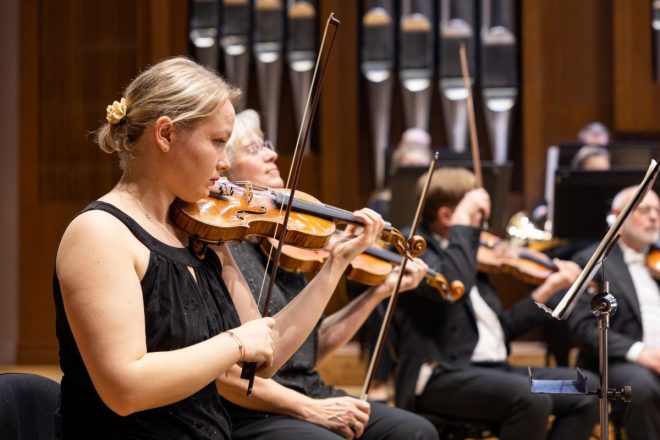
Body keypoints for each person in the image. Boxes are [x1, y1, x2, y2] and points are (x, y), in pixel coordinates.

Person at [53, 58, 386, 439]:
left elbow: (266, 358)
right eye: (217, 142)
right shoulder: (100, 234)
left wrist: (334, 264)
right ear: (165, 134)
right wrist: (234, 343)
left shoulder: (199, 235)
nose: (226, 163)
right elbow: (125, 389)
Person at [215, 109, 438, 440]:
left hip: (308, 389)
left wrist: (378, 291)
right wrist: (310, 409)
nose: (272, 153)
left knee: (415, 431)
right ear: (224, 170)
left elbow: (309, 348)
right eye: (253, 148)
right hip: (255, 410)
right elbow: (233, 376)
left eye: (267, 144)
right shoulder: (224, 249)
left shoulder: (283, 245)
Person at [393, 167, 600, 440]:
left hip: (493, 371)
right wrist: (464, 228)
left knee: (585, 387)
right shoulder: (415, 249)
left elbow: (504, 329)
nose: (485, 224)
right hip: (440, 376)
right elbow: (453, 286)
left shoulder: (473, 256)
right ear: (448, 216)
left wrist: (549, 288)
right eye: (477, 214)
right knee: (531, 399)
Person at [569, 186, 660, 440]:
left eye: (658, 211)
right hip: (619, 361)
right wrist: (643, 353)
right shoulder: (595, 263)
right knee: (641, 388)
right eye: (644, 209)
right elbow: (584, 328)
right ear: (618, 217)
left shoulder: (657, 259)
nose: (654, 216)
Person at [367, 127, 433, 221]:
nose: (415, 174)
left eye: (421, 167)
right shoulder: (380, 204)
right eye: (410, 168)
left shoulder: (434, 205)